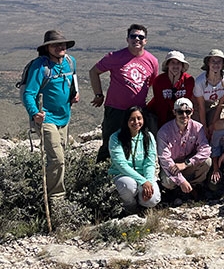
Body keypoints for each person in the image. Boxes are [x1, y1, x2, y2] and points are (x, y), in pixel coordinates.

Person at [22, 30, 79, 204]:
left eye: (62, 44)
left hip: (64, 117)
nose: (60, 47)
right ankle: (56, 200)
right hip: (46, 119)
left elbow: (72, 81)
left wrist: (74, 94)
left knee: (61, 156)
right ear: (47, 48)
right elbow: (29, 94)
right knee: (57, 159)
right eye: (55, 45)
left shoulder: (70, 62)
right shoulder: (40, 66)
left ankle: (50, 189)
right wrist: (34, 113)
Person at [90, 24, 159, 162]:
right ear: (127, 39)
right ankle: (99, 176)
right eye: (133, 36)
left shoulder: (152, 61)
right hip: (116, 109)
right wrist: (98, 94)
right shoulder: (115, 57)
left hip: (138, 111)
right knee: (110, 142)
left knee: (134, 144)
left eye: (141, 37)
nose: (137, 39)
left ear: (146, 40)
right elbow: (94, 71)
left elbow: (152, 82)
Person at [108, 106, 161, 214]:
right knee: (128, 185)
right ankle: (130, 207)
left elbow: (150, 163)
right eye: (132, 119)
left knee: (153, 198)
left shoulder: (148, 136)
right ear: (126, 121)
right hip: (122, 175)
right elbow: (121, 165)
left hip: (144, 176)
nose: (136, 122)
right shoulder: (116, 138)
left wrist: (148, 182)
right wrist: (143, 182)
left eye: (139, 118)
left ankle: (142, 206)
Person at [157, 98, 212, 201]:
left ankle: (193, 187)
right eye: (180, 111)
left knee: (207, 162)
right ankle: (177, 189)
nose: (184, 115)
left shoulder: (198, 127)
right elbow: (165, 159)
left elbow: (206, 150)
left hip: (187, 163)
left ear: (192, 112)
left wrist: (186, 163)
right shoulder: (164, 132)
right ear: (174, 112)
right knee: (168, 181)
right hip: (171, 165)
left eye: (188, 111)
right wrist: (181, 180)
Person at [147, 50, 195, 130]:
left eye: (178, 63)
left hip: (180, 114)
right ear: (168, 65)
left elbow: (186, 102)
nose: (175, 66)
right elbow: (160, 103)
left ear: (182, 66)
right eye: (173, 62)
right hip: (159, 114)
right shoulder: (159, 80)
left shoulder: (188, 80)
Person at [193, 49, 224, 135]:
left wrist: (213, 124)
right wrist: (203, 126)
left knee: (217, 128)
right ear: (208, 63)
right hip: (199, 106)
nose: (216, 64)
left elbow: (221, 104)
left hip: (215, 105)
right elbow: (201, 106)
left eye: (219, 61)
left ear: (223, 64)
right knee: (198, 129)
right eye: (213, 61)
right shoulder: (200, 81)